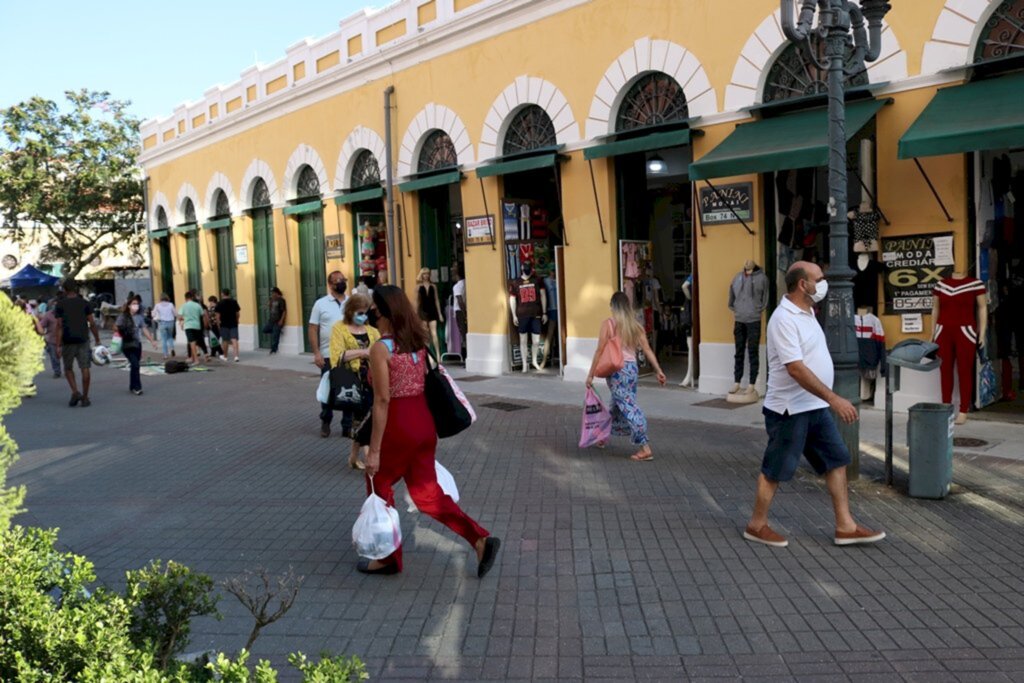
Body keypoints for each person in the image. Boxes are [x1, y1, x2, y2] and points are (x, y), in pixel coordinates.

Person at [743, 261, 886, 548]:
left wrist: (825, 399)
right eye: (818, 278)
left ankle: (845, 526)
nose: (824, 283)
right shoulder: (783, 319)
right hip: (789, 409)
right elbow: (795, 368)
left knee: (836, 460)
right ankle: (757, 525)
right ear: (802, 285)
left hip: (813, 406)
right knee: (776, 469)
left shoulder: (808, 312)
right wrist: (834, 398)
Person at [360, 285, 500, 577]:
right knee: (427, 496)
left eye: (373, 307)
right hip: (424, 425)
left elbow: (383, 400)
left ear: (383, 311)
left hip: (398, 426)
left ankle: (387, 558)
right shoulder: (417, 342)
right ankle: (479, 539)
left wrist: (373, 449)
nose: (369, 311)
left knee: (379, 483)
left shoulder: (379, 349)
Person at [586, 292, 666, 461]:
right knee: (616, 405)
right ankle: (602, 436)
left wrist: (590, 375)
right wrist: (658, 370)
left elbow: (599, 351)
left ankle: (645, 447)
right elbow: (647, 350)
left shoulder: (608, 324)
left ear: (613, 307)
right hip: (631, 370)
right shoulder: (635, 325)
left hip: (617, 371)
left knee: (628, 406)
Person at [330, 294, 380, 470]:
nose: (363, 316)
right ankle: (368, 458)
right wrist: (363, 352)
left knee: (366, 417)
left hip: (373, 379)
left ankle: (352, 457)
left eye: (366, 312)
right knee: (363, 417)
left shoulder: (372, 331)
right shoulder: (339, 329)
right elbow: (337, 356)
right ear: (350, 311)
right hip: (353, 380)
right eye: (360, 312)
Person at [309, 271, 348, 438]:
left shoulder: (351, 302)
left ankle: (347, 425)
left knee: (349, 388)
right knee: (328, 388)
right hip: (327, 354)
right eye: (337, 281)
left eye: (343, 280)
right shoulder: (320, 304)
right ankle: (326, 420)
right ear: (330, 285)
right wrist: (316, 352)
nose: (341, 283)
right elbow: (313, 328)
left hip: (349, 354)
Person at [54, 280, 101, 407]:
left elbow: (59, 326)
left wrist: (58, 345)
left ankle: (75, 392)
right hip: (83, 340)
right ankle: (85, 397)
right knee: (85, 367)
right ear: (76, 289)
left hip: (68, 341)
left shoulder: (60, 304)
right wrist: (97, 339)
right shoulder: (85, 303)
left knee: (68, 368)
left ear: (64, 290)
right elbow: (92, 323)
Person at [115, 298, 158, 395]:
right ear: (129, 305)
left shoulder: (139, 317)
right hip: (126, 344)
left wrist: (152, 341)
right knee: (135, 364)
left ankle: (132, 385)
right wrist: (122, 330)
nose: (136, 306)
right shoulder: (123, 316)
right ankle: (137, 387)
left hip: (137, 344)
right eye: (134, 304)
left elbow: (144, 329)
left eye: (137, 304)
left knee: (135, 365)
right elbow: (115, 327)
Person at [416, 267, 444, 353]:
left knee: (434, 333)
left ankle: (438, 354)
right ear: (421, 275)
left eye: (427, 274)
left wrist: (440, 314)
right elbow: (417, 301)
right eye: (424, 274)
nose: (426, 276)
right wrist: (416, 314)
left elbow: (436, 300)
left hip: (432, 311)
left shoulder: (433, 286)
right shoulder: (418, 287)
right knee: (426, 334)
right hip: (423, 311)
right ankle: (428, 355)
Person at [177, 291, 208, 364]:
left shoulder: (183, 306)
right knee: (199, 341)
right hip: (197, 325)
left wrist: (182, 320)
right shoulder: (197, 305)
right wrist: (204, 324)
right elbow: (203, 315)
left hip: (188, 326)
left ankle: (196, 360)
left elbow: (179, 316)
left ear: (186, 298)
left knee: (192, 342)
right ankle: (204, 355)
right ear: (192, 297)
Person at [37, 298, 62, 378]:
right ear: (50, 306)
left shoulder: (64, 313)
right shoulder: (48, 315)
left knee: (67, 356)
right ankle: (57, 371)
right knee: (54, 357)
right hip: (52, 339)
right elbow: (41, 325)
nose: (55, 305)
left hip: (64, 338)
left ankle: (68, 369)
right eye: (53, 304)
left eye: (56, 304)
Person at [214, 289, 242, 362]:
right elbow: (237, 313)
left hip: (224, 324)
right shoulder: (234, 302)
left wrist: (218, 324)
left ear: (222, 294)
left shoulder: (219, 303)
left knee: (225, 340)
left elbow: (217, 316)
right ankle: (236, 356)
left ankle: (225, 356)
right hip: (233, 323)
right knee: (234, 339)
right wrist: (237, 320)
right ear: (229, 294)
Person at [152, 293, 178, 359]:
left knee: (164, 339)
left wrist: (156, 316)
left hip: (162, 323)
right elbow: (175, 314)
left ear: (160, 298)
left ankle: (165, 355)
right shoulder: (171, 304)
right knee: (170, 337)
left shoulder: (157, 305)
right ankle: (172, 348)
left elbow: (153, 314)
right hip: (170, 322)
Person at [452, 266, 467, 357]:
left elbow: (460, 300)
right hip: (465, 310)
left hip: (460, 311)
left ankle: (465, 356)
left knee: (463, 333)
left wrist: (464, 313)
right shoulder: (467, 282)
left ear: (456, 275)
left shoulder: (457, 286)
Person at [268, 287, 286, 354]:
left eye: (273, 292)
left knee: (275, 337)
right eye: (271, 293)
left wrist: (281, 320)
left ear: (276, 292)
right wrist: (270, 303)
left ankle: (274, 350)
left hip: (278, 320)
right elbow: (270, 308)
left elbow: (284, 311)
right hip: (271, 319)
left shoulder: (281, 300)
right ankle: (277, 331)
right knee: (265, 329)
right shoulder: (272, 299)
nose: (272, 294)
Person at [206, 295, 225, 360]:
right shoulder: (212, 308)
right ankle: (213, 352)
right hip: (213, 325)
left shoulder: (215, 307)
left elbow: (213, 316)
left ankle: (220, 352)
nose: (209, 303)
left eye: (210, 302)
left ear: (213, 301)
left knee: (214, 339)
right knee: (213, 339)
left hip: (216, 325)